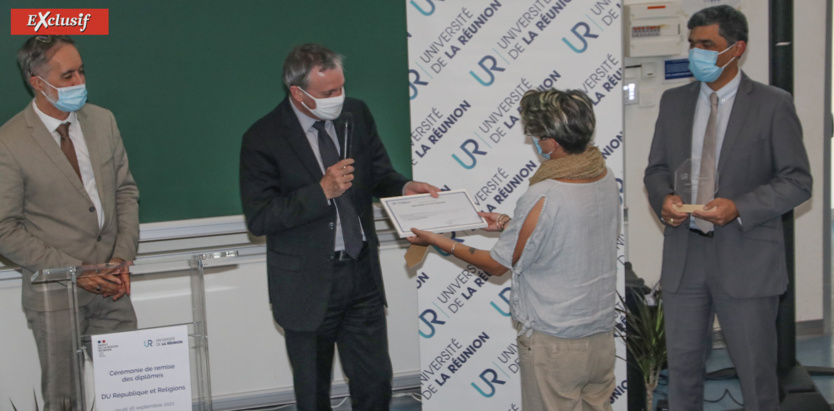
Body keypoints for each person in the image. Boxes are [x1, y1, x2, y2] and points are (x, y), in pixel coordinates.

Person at [239, 43, 438, 411]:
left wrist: (404, 187)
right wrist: (320, 192)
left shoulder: (356, 114)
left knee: (375, 384)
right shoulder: (262, 138)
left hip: (361, 273)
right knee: (313, 395)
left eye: (341, 87)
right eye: (328, 93)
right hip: (306, 285)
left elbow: (378, 173)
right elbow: (260, 218)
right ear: (297, 93)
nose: (339, 98)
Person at [644, 5, 812, 410]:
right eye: (692, 44)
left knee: (756, 374)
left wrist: (738, 206)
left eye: (707, 45)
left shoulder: (773, 104)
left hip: (747, 255)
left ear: (736, 49)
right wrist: (663, 198)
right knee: (681, 372)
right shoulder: (674, 102)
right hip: (686, 255)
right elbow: (656, 170)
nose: (695, 53)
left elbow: (797, 180)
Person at [408, 89, 619, 411]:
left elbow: (496, 265)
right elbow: (564, 233)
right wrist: (510, 224)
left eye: (535, 134)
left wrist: (439, 241)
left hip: (555, 342)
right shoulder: (603, 176)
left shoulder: (545, 193)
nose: (534, 140)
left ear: (551, 140)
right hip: (600, 334)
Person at [0, 35, 140, 409]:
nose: (80, 82)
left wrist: (121, 257)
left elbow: (125, 192)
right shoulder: (10, 141)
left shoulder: (103, 121)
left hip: (111, 281)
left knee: (134, 390)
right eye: (67, 76)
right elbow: (4, 228)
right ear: (38, 82)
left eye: (81, 71)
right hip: (54, 291)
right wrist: (75, 271)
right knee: (65, 400)